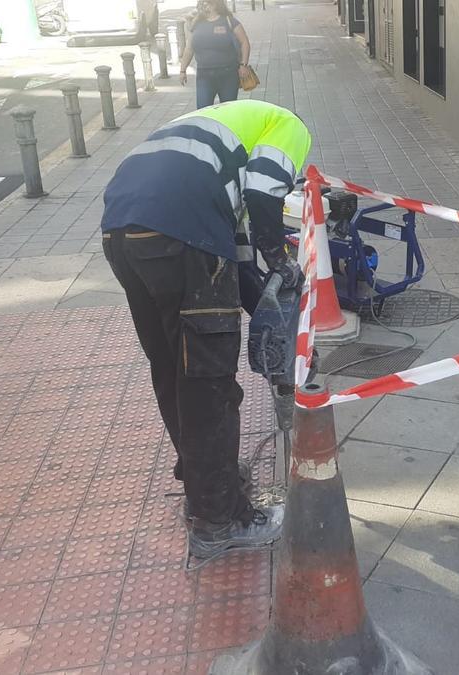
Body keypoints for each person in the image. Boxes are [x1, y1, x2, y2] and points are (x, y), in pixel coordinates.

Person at [101, 100, 311, 560]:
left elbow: (235, 264)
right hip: (182, 232)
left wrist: (268, 314)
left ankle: (201, 476)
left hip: (121, 230)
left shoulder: (212, 138)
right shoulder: (290, 125)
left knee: (172, 365)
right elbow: (262, 195)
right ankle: (219, 520)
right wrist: (282, 260)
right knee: (208, 381)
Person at [180, 0, 252, 108]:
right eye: (202, 2)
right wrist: (182, 70)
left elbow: (244, 42)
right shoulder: (196, 24)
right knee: (203, 111)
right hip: (204, 76)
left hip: (228, 75)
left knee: (228, 111)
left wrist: (243, 65)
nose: (204, 5)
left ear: (216, 4)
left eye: (207, 2)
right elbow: (189, 49)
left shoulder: (229, 21)